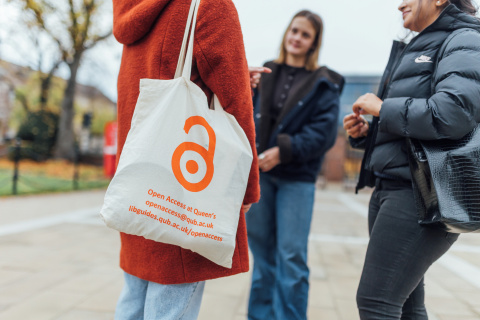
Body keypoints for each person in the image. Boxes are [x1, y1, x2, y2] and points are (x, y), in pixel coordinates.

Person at [111, 0, 263, 318]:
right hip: (184, 185)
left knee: (133, 301)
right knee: (170, 306)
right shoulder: (210, 5)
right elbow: (237, 106)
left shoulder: (133, 10)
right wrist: (246, 188)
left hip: (139, 181)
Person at [344, 0, 480, 319]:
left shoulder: (465, 39)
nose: (399, 4)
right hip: (395, 190)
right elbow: (415, 129)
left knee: (377, 302)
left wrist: (382, 109)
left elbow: (451, 114)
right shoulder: (422, 43)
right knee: (405, 307)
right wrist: (367, 132)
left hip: (421, 197)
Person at [246, 10, 344, 320]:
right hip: (260, 177)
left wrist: (283, 151)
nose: (296, 38)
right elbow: (243, 116)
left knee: (291, 257)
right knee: (262, 258)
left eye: (305, 35)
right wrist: (247, 87)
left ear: (314, 43)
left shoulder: (324, 82)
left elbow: (324, 134)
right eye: (294, 30)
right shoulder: (266, 71)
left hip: (296, 179)